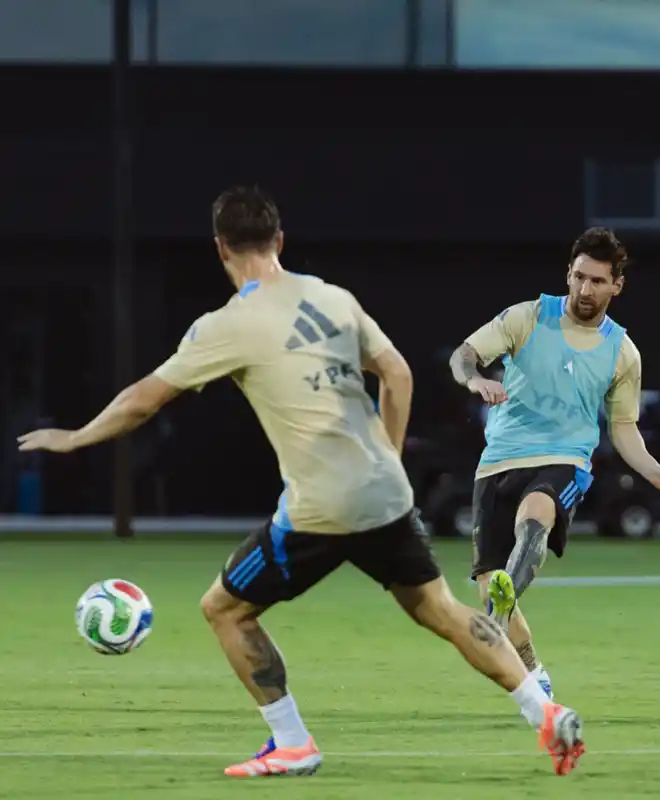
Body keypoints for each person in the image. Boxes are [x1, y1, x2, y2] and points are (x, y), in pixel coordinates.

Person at [17, 186, 585, 778]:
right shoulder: (332, 298)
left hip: (320, 505)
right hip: (384, 493)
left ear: (220, 249)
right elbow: (395, 372)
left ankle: (292, 743)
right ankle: (546, 713)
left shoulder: (225, 325)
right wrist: (389, 456)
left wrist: (77, 437)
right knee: (438, 609)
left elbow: (144, 399)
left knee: (225, 609)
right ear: (279, 240)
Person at [448, 227, 660, 701]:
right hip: (498, 459)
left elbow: (623, 427)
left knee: (537, 515)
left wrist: (653, 470)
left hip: (565, 459)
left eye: (598, 281)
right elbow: (464, 355)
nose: (586, 290)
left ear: (616, 286)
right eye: (580, 277)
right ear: (568, 274)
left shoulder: (622, 352)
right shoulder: (527, 317)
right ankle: (532, 669)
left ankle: (499, 616)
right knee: (487, 581)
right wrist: (474, 380)